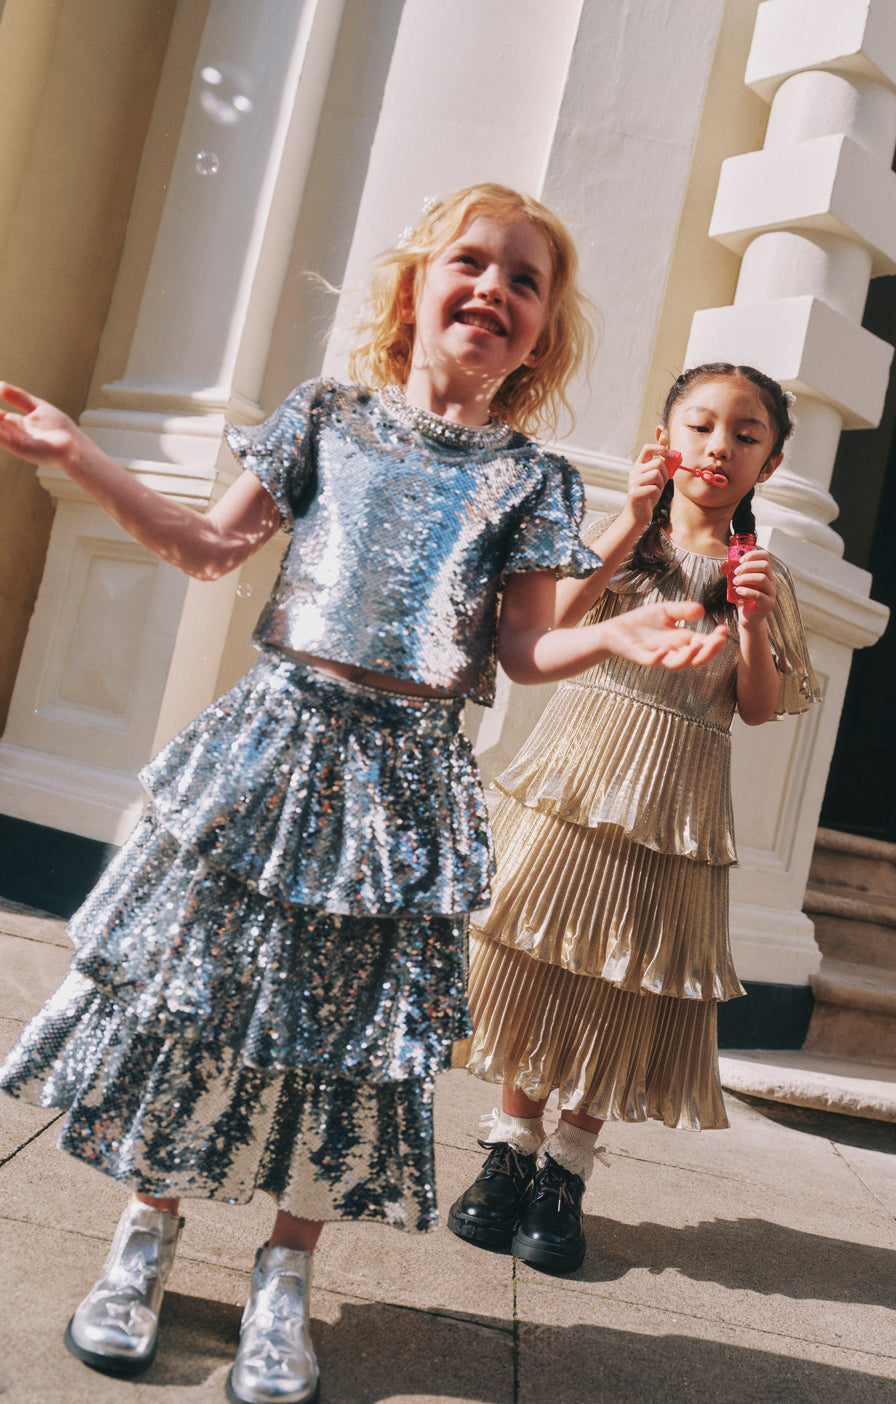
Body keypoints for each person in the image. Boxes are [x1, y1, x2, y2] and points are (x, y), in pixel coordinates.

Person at [0, 186, 728, 1404]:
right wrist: (79, 452)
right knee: (203, 993)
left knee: (348, 1032)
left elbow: (522, 650)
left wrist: (618, 637)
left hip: (406, 777)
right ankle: (146, 1234)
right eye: (473, 264)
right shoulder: (327, 418)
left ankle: (284, 1278)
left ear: (543, 334)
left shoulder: (532, 481)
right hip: (273, 746)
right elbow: (206, 548)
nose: (494, 290)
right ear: (415, 290)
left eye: (526, 281)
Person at [448, 362, 820, 1274]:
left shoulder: (757, 575)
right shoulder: (623, 549)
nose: (718, 448)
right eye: (700, 426)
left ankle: (568, 1163)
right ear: (666, 441)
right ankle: (509, 1146)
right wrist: (623, 520)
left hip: (677, 797)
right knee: (543, 950)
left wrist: (753, 622)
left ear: (767, 466)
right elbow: (549, 633)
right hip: (580, 773)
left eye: (745, 435)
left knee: (626, 971)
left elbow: (760, 706)